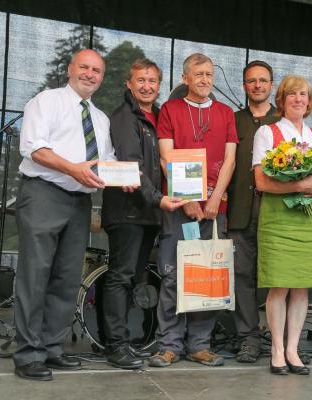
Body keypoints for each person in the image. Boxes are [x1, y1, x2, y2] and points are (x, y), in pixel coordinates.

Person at [13, 49, 115, 381]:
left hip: (80, 202)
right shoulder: (47, 101)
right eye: (84, 67)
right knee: (35, 275)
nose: (90, 74)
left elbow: (107, 164)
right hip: (44, 193)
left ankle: (52, 348)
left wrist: (124, 179)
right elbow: (33, 147)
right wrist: (72, 169)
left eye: (96, 70)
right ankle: (28, 354)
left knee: (67, 277)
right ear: (70, 69)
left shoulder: (101, 119)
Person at [148, 53, 237, 368]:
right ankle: (169, 345)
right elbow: (165, 156)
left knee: (208, 277)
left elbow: (230, 160)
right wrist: (187, 199)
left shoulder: (226, 113)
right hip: (178, 208)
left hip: (215, 209)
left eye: (209, 74)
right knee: (173, 276)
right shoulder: (170, 110)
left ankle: (199, 345)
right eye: (198, 74)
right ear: (185, 78)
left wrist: (216, 198)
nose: (205, 79)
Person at [101, 58, 187, 369]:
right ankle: (116, 345)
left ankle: (118, 342)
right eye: (141, 80)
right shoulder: (125, 117)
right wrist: (158, 198)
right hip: (128, 211)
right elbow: (133, 164)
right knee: (120, 277)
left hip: (148, 212)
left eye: (152, 81)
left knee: (130, 278)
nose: (147, 86)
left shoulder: (160, 115)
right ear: (129, 83)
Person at [252, 75, 312, 375]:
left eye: (303, 94)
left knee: (302, 287)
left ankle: (293, 350)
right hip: (278, 218)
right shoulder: (267, 133)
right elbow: (261, 182)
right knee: (280, 285)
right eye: (292, 94)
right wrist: (297, 186)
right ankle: (276, 349)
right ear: (282, 100)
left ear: (309, 101)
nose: (299, 99)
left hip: (310, 218)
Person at [227, 60, 279, 363]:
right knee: (242, 276)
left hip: (276, 214)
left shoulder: (283, 122)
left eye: (263, 80)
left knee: (277, 277)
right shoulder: (232, 120)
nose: (257, 85)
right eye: (251, 81)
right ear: (244, 85)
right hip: (239, 213)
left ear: (272, 84)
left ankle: (278, 339)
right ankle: (248, 338)